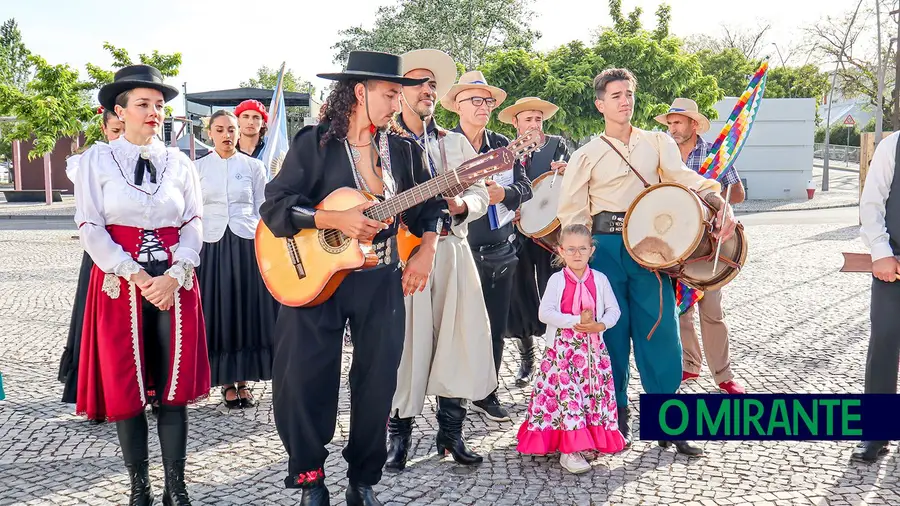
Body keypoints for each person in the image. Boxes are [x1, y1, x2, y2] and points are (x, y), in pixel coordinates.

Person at [258, 51, 444, 506]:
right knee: (303, 378)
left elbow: (432, 207)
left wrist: (426, 252)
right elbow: (276, 206)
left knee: (378, 380)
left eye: (398, 93)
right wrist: (331, 219)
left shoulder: (403, 150)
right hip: (314, 278)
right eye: (389, 93)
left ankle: (362, 481)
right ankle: (310, 478)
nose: (396, 101)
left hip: (380, 280)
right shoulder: (315, 143)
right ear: (359, 92)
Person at [557, 68, 737, 457]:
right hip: (603, 250)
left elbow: (681, 178)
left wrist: (718, 198)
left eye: (629, 94)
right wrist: (577, 264)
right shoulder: (585, 154)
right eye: (616, 95)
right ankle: (613, 422)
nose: (625, 101)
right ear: (600, 104)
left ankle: (669, 424)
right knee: (609, 338)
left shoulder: (657, 142)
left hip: (650, 247)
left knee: (662, 333)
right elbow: (572, 214)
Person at [74, 64, 209, 505]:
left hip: (174, 282)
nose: (154, 113)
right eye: (144, 105)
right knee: (125, 385)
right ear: (120, 110)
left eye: (159, 105)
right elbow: (91, 226)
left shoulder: (181, 162)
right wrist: (135, 274)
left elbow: (193, 222)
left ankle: (177, 487)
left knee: (174, 389)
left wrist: (174, 274)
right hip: (120, 283)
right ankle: (140, 488)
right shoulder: (95, 161)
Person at [385, 49, 494, 471]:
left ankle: (451, 434)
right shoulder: (386, 142)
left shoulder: (455, 142)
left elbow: (482, 192)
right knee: (405, 344)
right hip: (404, 252)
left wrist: (462, 204)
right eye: (418, 83)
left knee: (459, 341)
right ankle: (399, 435)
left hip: (452, 249)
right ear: (400, 92)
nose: (427, 90)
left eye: (432, 84)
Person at [443, 70, 532, 422]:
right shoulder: (443, 144)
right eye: (475, 100)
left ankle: (488, 392)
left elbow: (525, 187)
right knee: (454, 327)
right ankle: (451, 400)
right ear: (458, 106)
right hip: (456, 247)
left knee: (493, 327)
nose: (483, 107)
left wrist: (504, 194)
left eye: (488, 101)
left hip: (498, 249)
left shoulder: (502, 146)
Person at [517, 224, 625, 473]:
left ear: (591, 250)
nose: (577, 254)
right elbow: (545, 313)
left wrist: (601, 324)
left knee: (590, 397)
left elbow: (614, 310)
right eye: (571, 249)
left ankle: (586, 440)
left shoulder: (600, 280)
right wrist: (573, 323)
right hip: (562, 353)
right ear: (561, 251)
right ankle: (570, 450)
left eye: (583, 249)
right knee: (568, 397)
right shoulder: (557, 280)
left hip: (593, 354)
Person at [655, 98, 746, 395]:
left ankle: (723, 375)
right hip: (675, 242)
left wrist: (714, 202)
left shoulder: (716, 155)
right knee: (680, 308)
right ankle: (689, 365)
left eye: (678, 122)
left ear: (694, 124)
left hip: (709, 245)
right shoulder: (662, 154)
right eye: (670, 123)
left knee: (712, 309)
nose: (672, 128)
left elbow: (739, 194)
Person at [195, 110, 278, 410]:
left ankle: (244, 380)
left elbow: (263, 208)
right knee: (220, 310)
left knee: (247, 310)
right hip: (212, 245)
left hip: (246, 243)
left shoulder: (254, 167)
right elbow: (193, 211)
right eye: (220, 129)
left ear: (238, 132)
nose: (227, 135)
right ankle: (226, 382)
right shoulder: (197, 168)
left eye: (231, 129)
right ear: (210, 133)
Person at [498, 97, 571, 387]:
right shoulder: (505, 152)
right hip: (517, 233)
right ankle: (527, 359)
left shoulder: (557, 146)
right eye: (528, 119)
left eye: (538, 119)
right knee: (520, 296)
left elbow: (571, 180)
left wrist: (567, 168)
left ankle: (559, 361)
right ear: (516, 123)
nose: (534, 125)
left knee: (556, 294)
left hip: (551, 234)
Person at [58, 106, 125, 421]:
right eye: (115, 131)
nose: (121, 137)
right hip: (103, 249)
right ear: (104, 128)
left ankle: (149, 389)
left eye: (125, 130)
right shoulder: (89, 163)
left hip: (144, 250)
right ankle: (98, 391)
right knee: (101, 323)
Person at [853, 130, 900, 462]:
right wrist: (880, 252)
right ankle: (877, 433)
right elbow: (871, 204)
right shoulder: (892, 145)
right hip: (893, 264)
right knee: (883, 343)